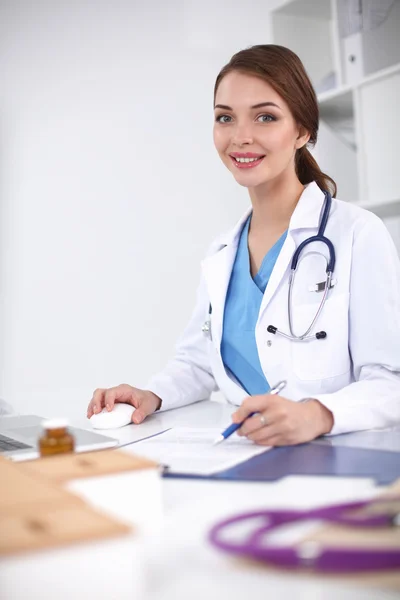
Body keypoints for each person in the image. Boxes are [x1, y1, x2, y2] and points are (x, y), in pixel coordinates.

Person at [87, 45, 400, 446]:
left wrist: (317, 415)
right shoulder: (222, 252)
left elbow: (390, 382)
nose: (241, 137)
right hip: (247, 453)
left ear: (302, 131)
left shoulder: (357, 234)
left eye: (265, 117)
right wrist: (151, 396)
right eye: (225, 118)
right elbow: (200, 363)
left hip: (340, 455)